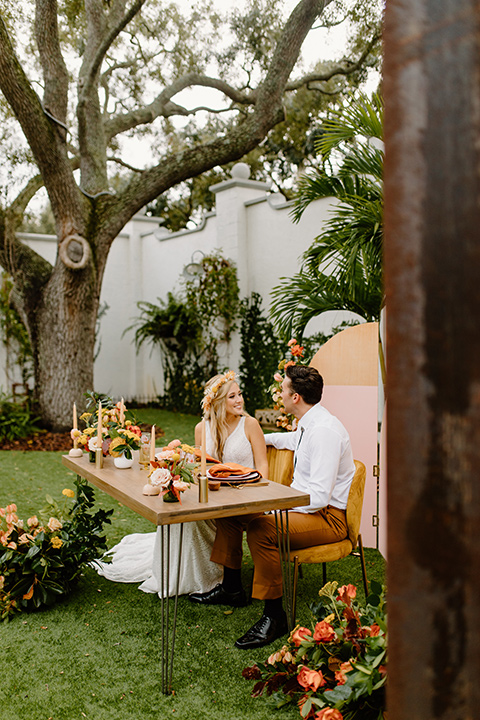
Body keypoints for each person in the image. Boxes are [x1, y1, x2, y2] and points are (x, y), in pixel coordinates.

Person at [189, 364, 355, 650]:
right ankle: (232, 589)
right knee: (231, 515)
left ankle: (275, 616)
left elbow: (318, 497)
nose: (279, 392)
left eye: (283, 388)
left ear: (295, 398)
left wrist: (277, 507)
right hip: (303, 507)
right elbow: (291, 440)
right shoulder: (309, 423)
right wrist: (250, 438)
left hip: (326, 518)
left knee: (261, 528)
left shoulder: (325, 432)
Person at [95, 370, 267, 598]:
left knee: (216, 518)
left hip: (245, 495)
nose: (239, 400)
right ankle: (190, 575)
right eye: (232, 396)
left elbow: (263, 466)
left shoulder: (250, 424)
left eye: (240, 394)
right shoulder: (201, 428)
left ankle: (228, 586)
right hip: (214, 494)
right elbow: (199, 468)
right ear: (216, 402)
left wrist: (254, 488)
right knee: (179, 513)